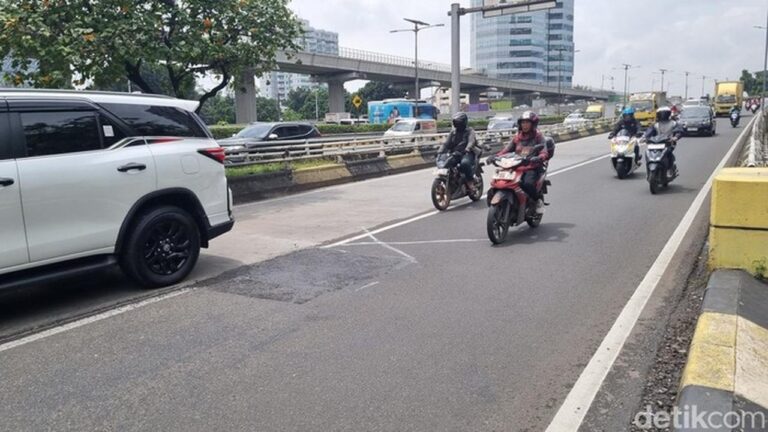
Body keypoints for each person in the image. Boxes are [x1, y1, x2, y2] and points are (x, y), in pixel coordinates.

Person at [496, 111, 549, 214]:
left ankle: (537, 201)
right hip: (516, 166)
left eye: (527, 123)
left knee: (527, 184)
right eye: (523, 123)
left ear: (533, 124)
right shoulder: (517, 137)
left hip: (532, 167)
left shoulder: (538, 137)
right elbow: (506, 150)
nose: (524, 125)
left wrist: (539, 157)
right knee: (500, 182)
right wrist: (496, 156)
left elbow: (544, 152)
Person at [438, 111, 480, 193]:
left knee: (465, 163)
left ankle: (470, 182)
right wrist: (439, 151)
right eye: (455, 122)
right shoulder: (453, 132)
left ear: (463, 122)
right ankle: (451, 180)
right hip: (456, 154)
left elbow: (471, 141)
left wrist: (467, 148)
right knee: (446, 164)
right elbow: (446, 143)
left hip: (467, 153)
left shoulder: (470, 131)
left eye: (458, 122)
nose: (457, 124)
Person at [643, 107, 683, 177]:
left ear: (668, 114)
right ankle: (649, 170)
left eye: (664, 113)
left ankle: (670, 169)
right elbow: (649, 132)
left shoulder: (673, 123)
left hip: (668, 143)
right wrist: (645, 137)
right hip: (656, 143)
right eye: (661, 113)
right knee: (648, 153)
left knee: (669, 153)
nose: (663, 115)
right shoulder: (656, 124)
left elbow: (679, 131)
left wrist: (675, 137)